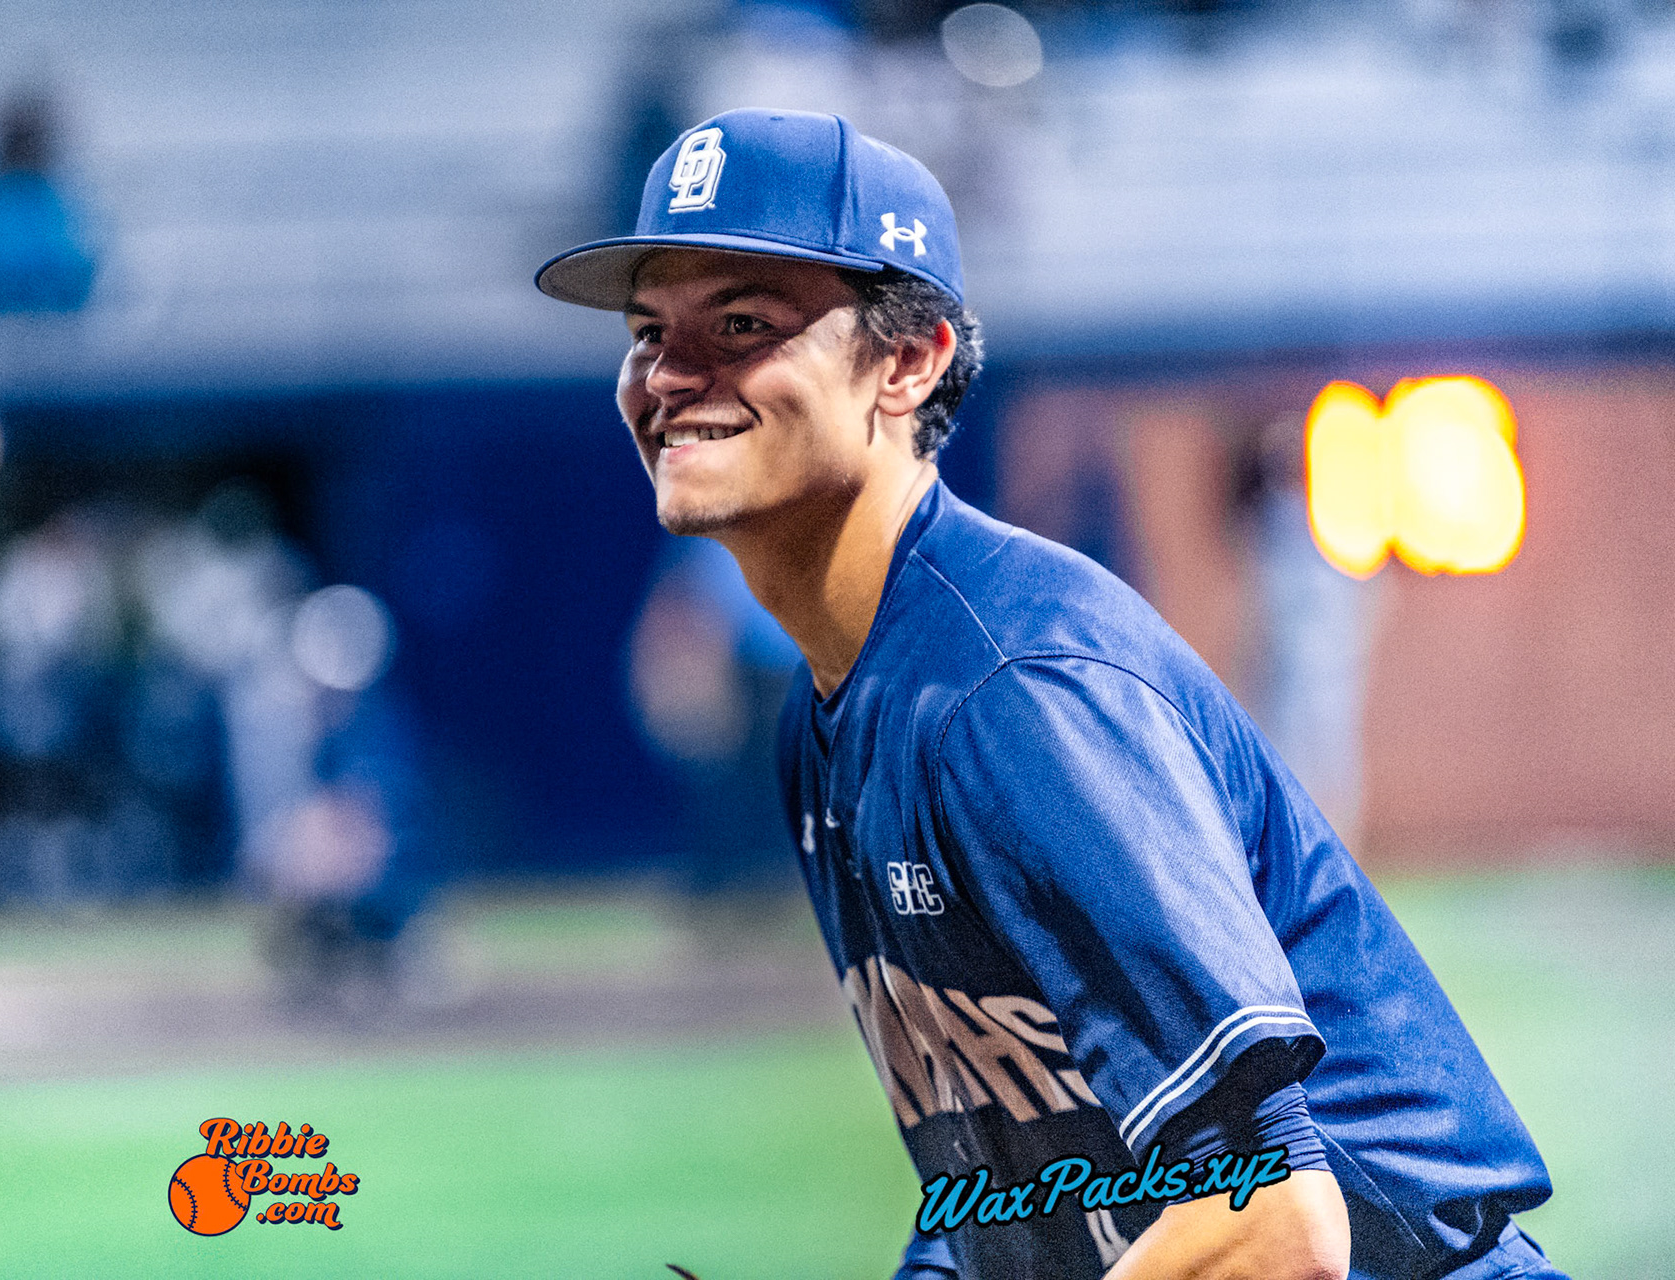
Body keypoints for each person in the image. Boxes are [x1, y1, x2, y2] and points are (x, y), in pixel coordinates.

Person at [535, 109, 1568, 1279]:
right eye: (645, 331)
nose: (669, 375)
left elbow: (1274, 1220)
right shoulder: (831, 716)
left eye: (740, 323)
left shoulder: (1011, 691)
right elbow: (999, 1192)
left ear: (910, 358)